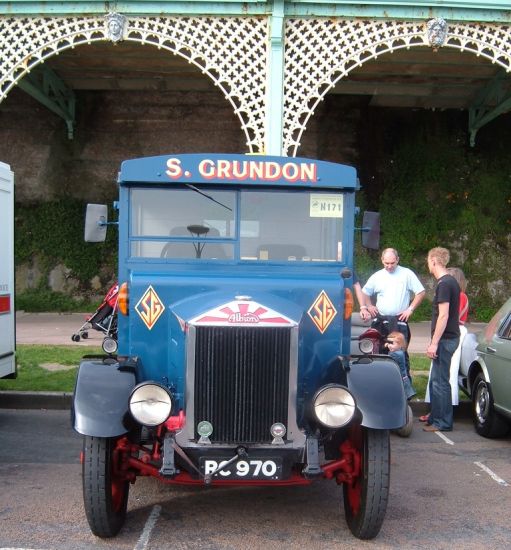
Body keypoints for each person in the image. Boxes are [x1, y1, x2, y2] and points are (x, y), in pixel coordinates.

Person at [359, 248, 426, 372]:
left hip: (399, 320)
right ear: (382, 261)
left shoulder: (407, 274)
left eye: (392, 263)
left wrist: (410, 309)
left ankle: (404, 384)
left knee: (400, 354)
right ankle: (380, 379)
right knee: (378, 352)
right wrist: (368, 306)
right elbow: (364, 292)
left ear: (397, 260)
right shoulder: (377, 276)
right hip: (381, 321)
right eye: (386, 263)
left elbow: (421, 292)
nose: (389, 266)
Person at [421, 267, 469, 419]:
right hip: (452, 332)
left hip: (449, 333)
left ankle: (443, 415)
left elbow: (446, 316)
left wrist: (435, 341)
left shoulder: (456, 294)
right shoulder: (459, 294)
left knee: (444, 377)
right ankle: (437, 413)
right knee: (440, 377)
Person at [423, 247, 460, 432]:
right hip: (448, 339)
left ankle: (443, 423)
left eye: (428, 261)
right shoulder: (450, 281)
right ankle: (435, 417)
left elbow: (443, 316)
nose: (427, 264)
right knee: (436, 380)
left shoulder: (444, 284)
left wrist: (434, 343)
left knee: (440, 382)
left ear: (434, 261)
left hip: (445, 340)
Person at [385, 331, 416, 400]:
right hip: (402, 378)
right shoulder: (399, 351)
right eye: (388, 343)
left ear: (400, 345)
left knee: (401, 396)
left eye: (392, 343)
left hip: (400, 379)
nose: (389, 345)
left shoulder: (396, 354)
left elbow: (387, 362)